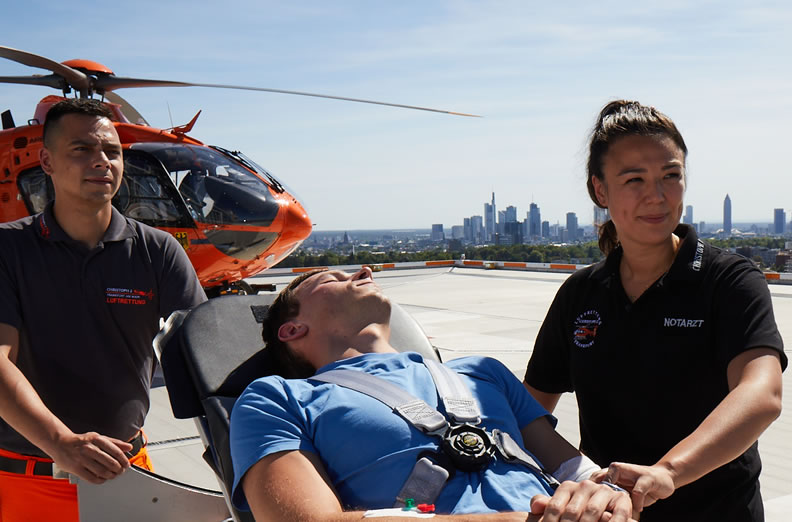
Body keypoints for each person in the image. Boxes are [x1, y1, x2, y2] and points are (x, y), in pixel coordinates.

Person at [523, 100, 786, 522]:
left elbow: (761, 395)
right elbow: (527, 411)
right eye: (634, 179)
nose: (657, 196)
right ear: (600, 190)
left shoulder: (729, 280)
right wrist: (579, 478)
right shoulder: (581, 294)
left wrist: (668, 472)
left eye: (671, 176)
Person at [230, 267, 636, 521]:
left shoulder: (482, 372)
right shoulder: (276, 399)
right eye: (332, 279)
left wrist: (609, 493)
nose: (364, 270)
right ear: (292, 330)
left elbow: (575, 470)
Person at [0, 98, 207, 521]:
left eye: (112, 151)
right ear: (47, 161)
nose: (102, 161)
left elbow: (205, 356)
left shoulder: (158, 251)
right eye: (82, 149)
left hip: (127, 474)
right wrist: (62, 443)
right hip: (27, 481)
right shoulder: (7, 249)